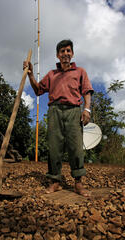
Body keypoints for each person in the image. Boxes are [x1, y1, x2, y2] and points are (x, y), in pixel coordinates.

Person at [23, 39, 93, 197]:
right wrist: (30, 74)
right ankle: (55, 181)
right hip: (54, 110)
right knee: (54, 147)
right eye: (62, 51)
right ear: (57, 55)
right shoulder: (51, 74)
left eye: (68, 51)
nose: (66, 54)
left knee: (75, 147)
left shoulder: (80, 72)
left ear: (72, 53)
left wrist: (87, 109)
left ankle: (78, 183)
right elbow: (38, 90)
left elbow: (87, 91)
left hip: (74, 111)